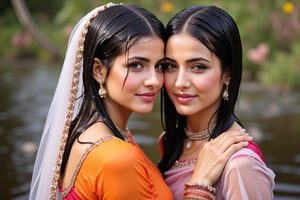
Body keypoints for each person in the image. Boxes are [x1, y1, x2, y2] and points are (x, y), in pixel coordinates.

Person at [29, 3, 253, 200]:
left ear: (228, 74)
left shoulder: (85, 131)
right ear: (99, 70)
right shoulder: (117, 159)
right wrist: (200, 184)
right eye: (136, 65)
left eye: (160, 66)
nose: (155, 81)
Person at [158, 5, 275, 200]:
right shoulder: (169, 141)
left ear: (227, 74)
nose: (179, 82)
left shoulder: (240, 166)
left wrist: (199, 187)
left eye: (197, 67)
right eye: (170, 66)